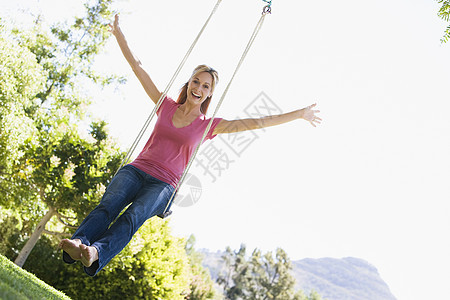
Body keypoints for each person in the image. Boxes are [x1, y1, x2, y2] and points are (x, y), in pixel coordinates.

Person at [59, 14, 322, 276]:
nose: (199, 87)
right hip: (136, 169)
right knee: (108, 206)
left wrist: (299, 114)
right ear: (189, 83)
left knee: (133, 217)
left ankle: (96, 252)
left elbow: (257, 121)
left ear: (209, 93)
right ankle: (79, 244)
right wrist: (119, 35)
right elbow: (138, 67)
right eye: (196, 81)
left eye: (206, 86)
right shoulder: (165, 105)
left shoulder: (209, 125)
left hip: (163, 185)